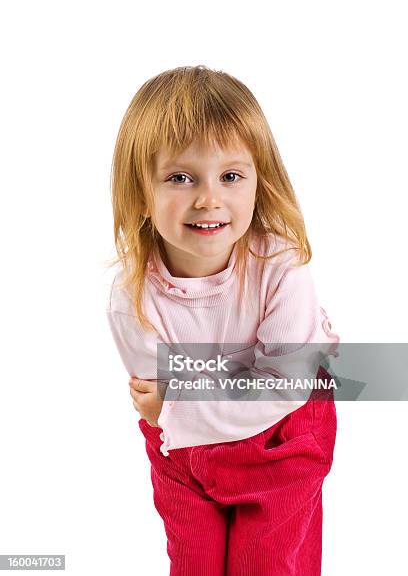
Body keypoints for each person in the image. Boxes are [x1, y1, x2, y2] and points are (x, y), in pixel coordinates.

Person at [105, 64, 340, 575]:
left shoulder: (280, 267)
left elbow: (284, 388)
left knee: (268, 563)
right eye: (180, 177)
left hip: (285, 436)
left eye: (231, 176)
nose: (209, 198)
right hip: (187, 452)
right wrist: (237, 378)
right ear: (142, 191)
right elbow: (159, 407)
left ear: (259, 182)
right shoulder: (132, 300)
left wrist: (186, 389)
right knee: (196, 564)